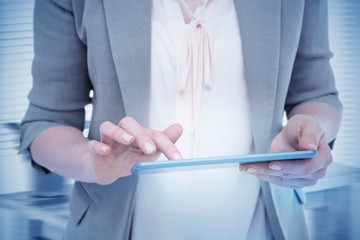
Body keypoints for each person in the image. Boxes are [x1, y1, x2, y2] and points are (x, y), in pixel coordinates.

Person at [20, 0, 342, 239]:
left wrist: (309, 133)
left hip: (262, 228)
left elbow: (318, 96)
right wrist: (92, 162)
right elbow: (47, 121)